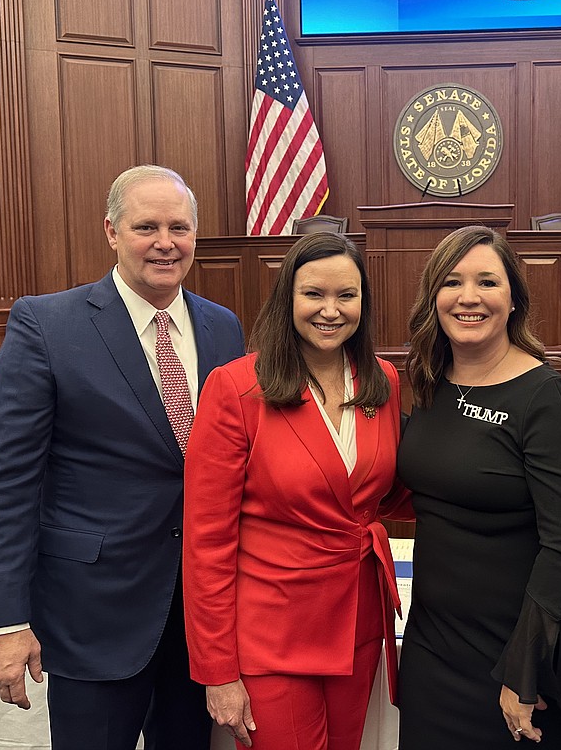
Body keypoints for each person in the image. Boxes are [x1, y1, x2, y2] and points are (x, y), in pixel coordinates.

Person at [0, 164, 245, 750]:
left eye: (179, 227)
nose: (166, 243)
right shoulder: (47, 324)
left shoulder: (222, 329)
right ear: (112, 232)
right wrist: (3, 622)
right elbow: (5, 483)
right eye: (147, 227)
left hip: (201, 621)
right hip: (91, 617)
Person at [182, 232, 408, 750]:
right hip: (271, 636)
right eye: (314, 294)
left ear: (363, 304)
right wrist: (218, 670)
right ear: (288, 299)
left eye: (346, 296)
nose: (330, 310)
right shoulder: (237, 387)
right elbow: (206, 543)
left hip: (358, 625)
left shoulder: (383, 381)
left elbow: (383, 492)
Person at [397, 225, 561, 749]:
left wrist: (523, 669)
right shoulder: (428, 386)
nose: (469, 297)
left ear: (513, 300)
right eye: (452, 282)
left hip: (515, 661)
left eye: (487, 281)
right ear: (433, 298)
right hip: (432, 652)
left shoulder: (547, 398)